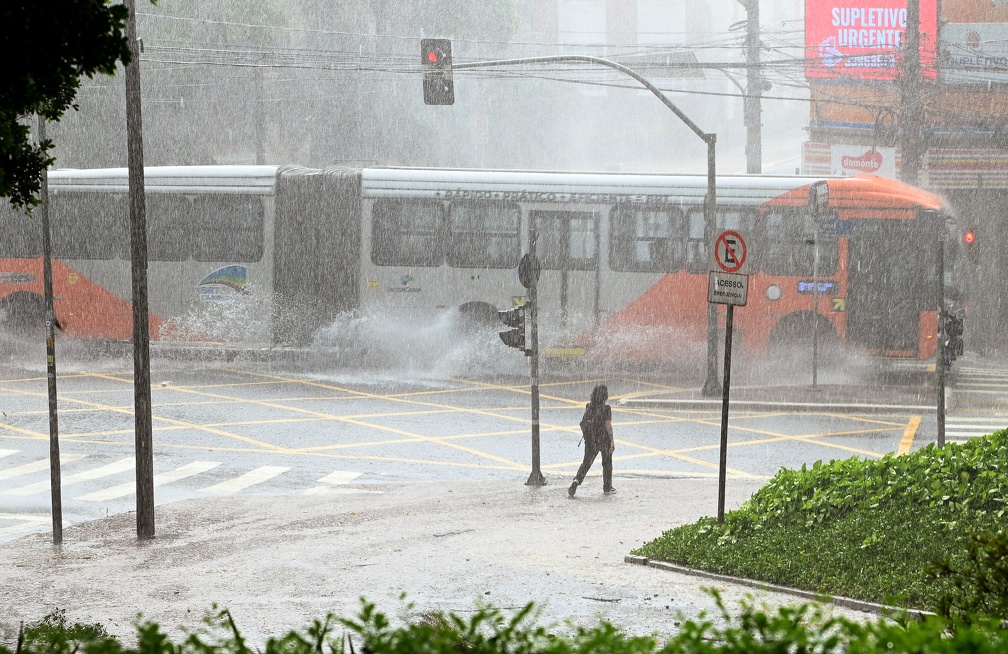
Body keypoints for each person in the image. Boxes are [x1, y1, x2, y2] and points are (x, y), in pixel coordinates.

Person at [569, 384, 616, 498]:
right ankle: (607, 487)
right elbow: (608, 425)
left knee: (586, 463)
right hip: (603, 439)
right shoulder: (606, 408)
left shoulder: (588, 406)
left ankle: (576, 480)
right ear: (605, 396)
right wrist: (612, 440)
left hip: (590, 439)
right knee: (607, 463)